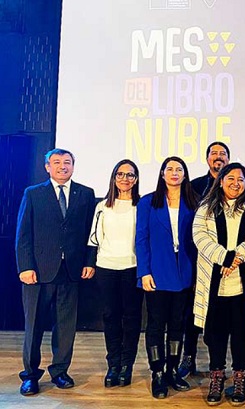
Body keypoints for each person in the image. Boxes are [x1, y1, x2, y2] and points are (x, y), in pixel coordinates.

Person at [15, 148, 96, 396]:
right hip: (38, 272)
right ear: (47, 167)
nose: (63, 166)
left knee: (66, 326)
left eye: (67, 162)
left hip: (71, 270)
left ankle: (60, 371)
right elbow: (23, 234)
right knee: (34, 326)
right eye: (57, 162)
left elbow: (90, 233)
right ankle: (30, 375)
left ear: (73, 166)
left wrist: (89, 262)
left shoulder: (85, 194)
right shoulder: (33, 193)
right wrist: (25, 267)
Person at [193, 163, 245, 406]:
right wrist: (223, 257)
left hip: (242, 283)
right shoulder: (207, 205)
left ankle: (240, 378)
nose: (236, 183)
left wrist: (236, 258)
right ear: (221, 180)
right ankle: (217, 377)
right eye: (231, 178)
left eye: (241, 179)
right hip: (215, 284)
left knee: (241, 335)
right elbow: (199, 235)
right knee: (215, 334)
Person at [136, 156, 198, 399]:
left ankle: (172, 369)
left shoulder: (194, 201)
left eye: (179, 169)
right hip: (157, 272)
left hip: (185, 273)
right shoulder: (148, 201)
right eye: (169, 169)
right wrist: (144, 272)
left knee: (177, 324)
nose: (174, 173)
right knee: (155, 324)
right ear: (162, 174)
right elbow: (141, 238)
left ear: (185, 174)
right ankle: (157, 373)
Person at [88, 159, 144, 388]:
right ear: (113, 177)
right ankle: (113, 364)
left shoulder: (142, 205)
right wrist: (90, 263)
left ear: (136, 179)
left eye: (130, 175)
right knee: (110, 316)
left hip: (133, 267)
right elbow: (94, 238)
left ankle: (126, 365)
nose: (125, 179)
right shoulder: (102, 206)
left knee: (131, 318)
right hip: (106, 267)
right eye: (120, 174)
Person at [179, 141, 231, 379]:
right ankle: (188, 358)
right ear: (207, 158)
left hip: (226, 260)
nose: (218, 157)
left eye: (223, 153)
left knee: (220, 316)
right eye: (214, 153)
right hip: (196, 257)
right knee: (191, 314)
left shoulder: (234, 185)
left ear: (228, 159)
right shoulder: (193, 186)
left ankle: (217, 365)